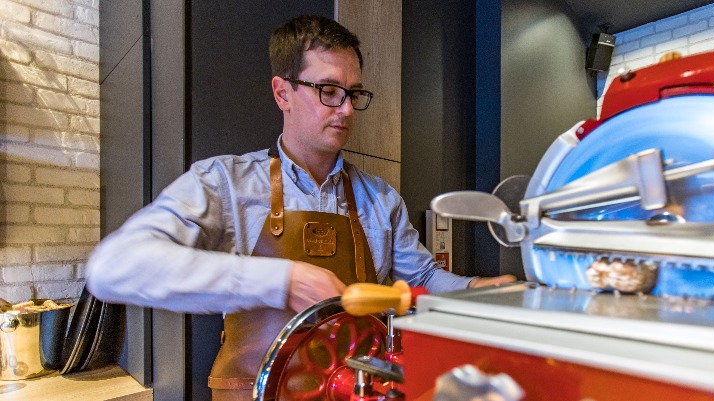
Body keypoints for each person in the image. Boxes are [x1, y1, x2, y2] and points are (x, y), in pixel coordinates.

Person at [86, 15, 516, 401]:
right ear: (282, 93)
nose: (346, 109)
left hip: (356, 390)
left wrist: (477, 291)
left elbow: (420, 280)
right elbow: (114, 267)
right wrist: (285, 280)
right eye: (328, 91)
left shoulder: (381, 199)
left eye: (354, 94)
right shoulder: (225, 183)